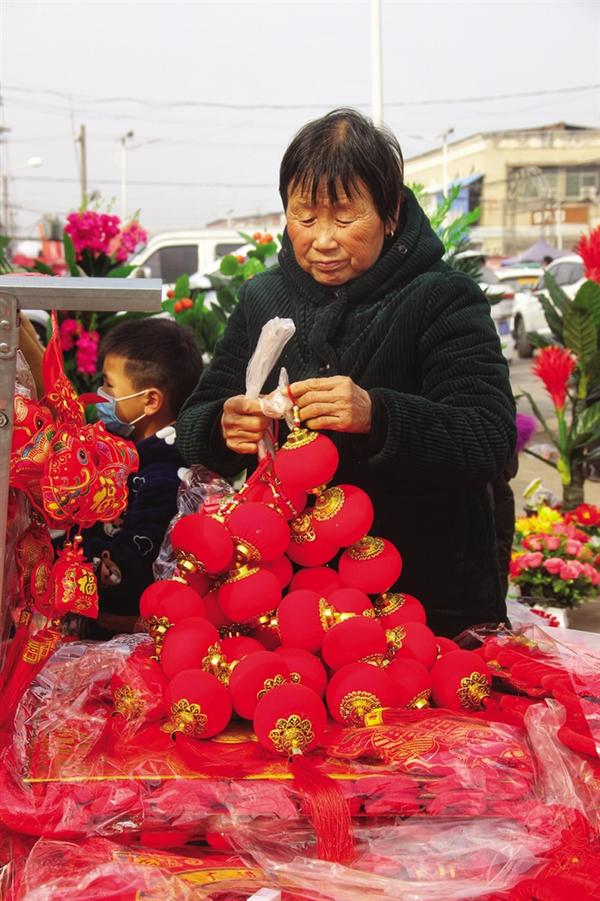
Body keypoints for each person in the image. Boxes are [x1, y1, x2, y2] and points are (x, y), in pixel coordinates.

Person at [176, 109, 516, 638]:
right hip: (295, 603)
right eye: (305, 217)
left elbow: (489, 437)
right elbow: (195, 421)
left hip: (427, 599)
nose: (323, 240)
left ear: (390, 212)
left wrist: (378, 416)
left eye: (343, 217)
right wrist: (223, 426)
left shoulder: (442, 297)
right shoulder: (263, 297)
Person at [82, 317, 203, 638]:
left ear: (150, 400)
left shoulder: (164, 476)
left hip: (122, 632)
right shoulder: (130, 453)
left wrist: (60, 554)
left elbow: (129, 567)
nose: (101, 395)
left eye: (109, 385)